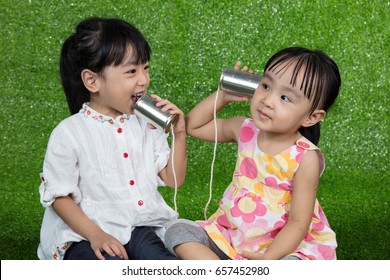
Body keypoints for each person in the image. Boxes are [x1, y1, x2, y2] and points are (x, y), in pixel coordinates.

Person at [165, 47, 341, 260]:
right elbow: (194, 126)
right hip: (233, 234)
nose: (267, 100)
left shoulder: (305, 157)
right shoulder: (244, 129)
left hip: (283, 247)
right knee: (176, 230)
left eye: (285, 97)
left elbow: (298, 223)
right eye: (266, 86)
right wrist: (223, 96)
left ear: (311, 117)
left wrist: (268, 260)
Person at [37, 17, 187, 260]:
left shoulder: (147, 124)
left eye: (146, 68)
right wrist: (96, 234)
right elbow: (59, 197)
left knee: (163, 262)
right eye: (131, 71)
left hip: (138, 226)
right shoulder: (69, 132)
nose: (143, 79)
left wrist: (179, 134)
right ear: (92, 80)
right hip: (85, 233)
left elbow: (174, 179)